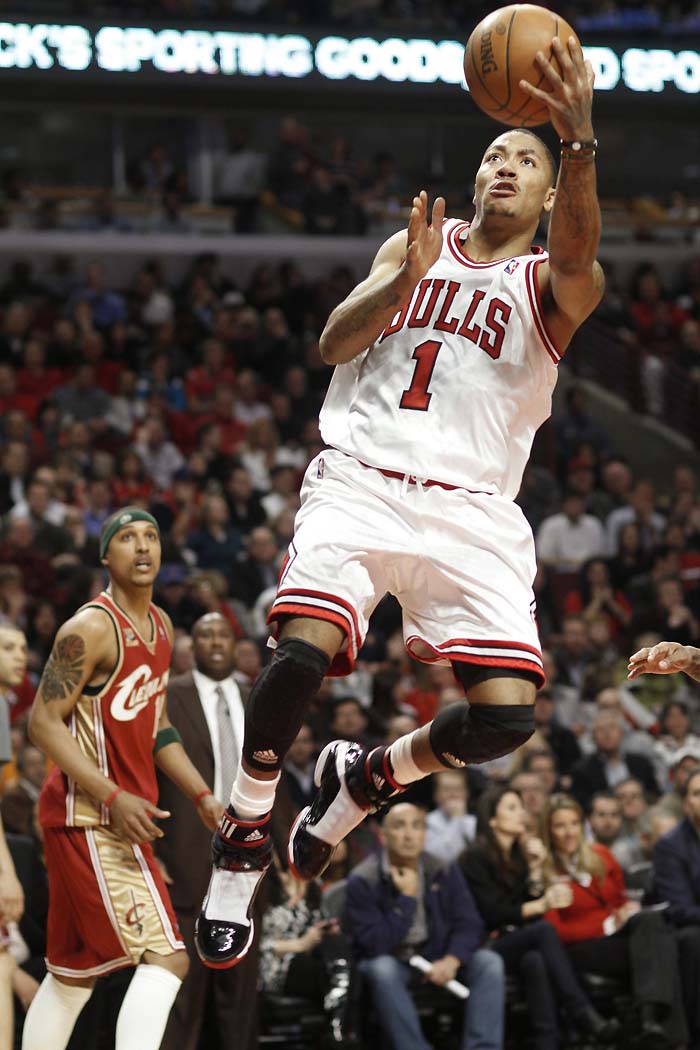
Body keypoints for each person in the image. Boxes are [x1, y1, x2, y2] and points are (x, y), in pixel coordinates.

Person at [196, 37, 606, 968]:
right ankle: (244, 837)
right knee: (303, 643)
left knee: (504, 717)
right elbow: (332, 348)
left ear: (548, 196)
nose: (505, 165)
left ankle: (371, 775)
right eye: (497, 153)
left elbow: (582, 251)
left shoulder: (549, 281)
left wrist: (577, 144)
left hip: (471, 511)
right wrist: (395, 282)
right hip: (364, 479)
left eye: (525, 162)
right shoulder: (412, 246)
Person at [21, 507, 222, 1050]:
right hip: (88, 815)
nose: (142, 547)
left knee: (71, 978)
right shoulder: (90, 627)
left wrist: (201, 795)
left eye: (151, 536)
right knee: (169, 958)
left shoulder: (160, 626)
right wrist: (113, 795)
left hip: (107, 816)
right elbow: (42, 722)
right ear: (105, 556)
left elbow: (156, 725)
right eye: (127, 538)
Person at [156, 612, 258, 1050]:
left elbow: (271, 773)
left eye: (223, 634)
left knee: (240, 990)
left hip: (250, 859)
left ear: (235, 645)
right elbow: (147, 775)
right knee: (184, 987)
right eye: (204, 634)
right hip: (184, 855)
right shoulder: (168, 696)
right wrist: (150, 850)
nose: (215, 641)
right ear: (190, 647)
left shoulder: (256, 693)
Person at [460, 786, 617, 1050]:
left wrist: (534, 870)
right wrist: (541, 903)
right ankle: (582, 1013)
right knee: (543, 931)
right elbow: (493, 913)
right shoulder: (473, 857)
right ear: (491, 819)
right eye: (512, 808)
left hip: (517, 940)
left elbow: (522, 902)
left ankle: (548, 1041)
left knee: (535, 961)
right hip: (486, 945)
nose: (521, 813)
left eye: (521, 807)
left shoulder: (519, 855)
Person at [346, 801, 505, 1050]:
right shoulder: (364, 880)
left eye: (416, 827)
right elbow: (373, 944)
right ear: (383, 835)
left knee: (489, 963)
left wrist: (452, 959)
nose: (409, 835)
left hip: (437, 956)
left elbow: (469, 923)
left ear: (424, 834)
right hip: (394, 960)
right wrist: (406, 901)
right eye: (399, 827)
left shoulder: (441, 868)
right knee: (381, 970)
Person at [542, 793, 687, 1050]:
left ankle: (650, 1023)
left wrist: (625, 910)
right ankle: (665, 1032)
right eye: (559, 825)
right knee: (662, 950)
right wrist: (607, 924)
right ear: (549, 830)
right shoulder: (544, 870)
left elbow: (618, 899)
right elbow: (554, 931)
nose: (568, 832)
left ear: (583, 825)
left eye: (574, 823)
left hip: (618, 937)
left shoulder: (601, 855)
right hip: (579, 948)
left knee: (651, 920)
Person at [652, 766, 700, 1050]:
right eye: (697, 793)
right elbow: (680, 909)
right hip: (688, 927)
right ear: (686, 803)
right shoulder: (670, 846)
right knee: (694, 940)